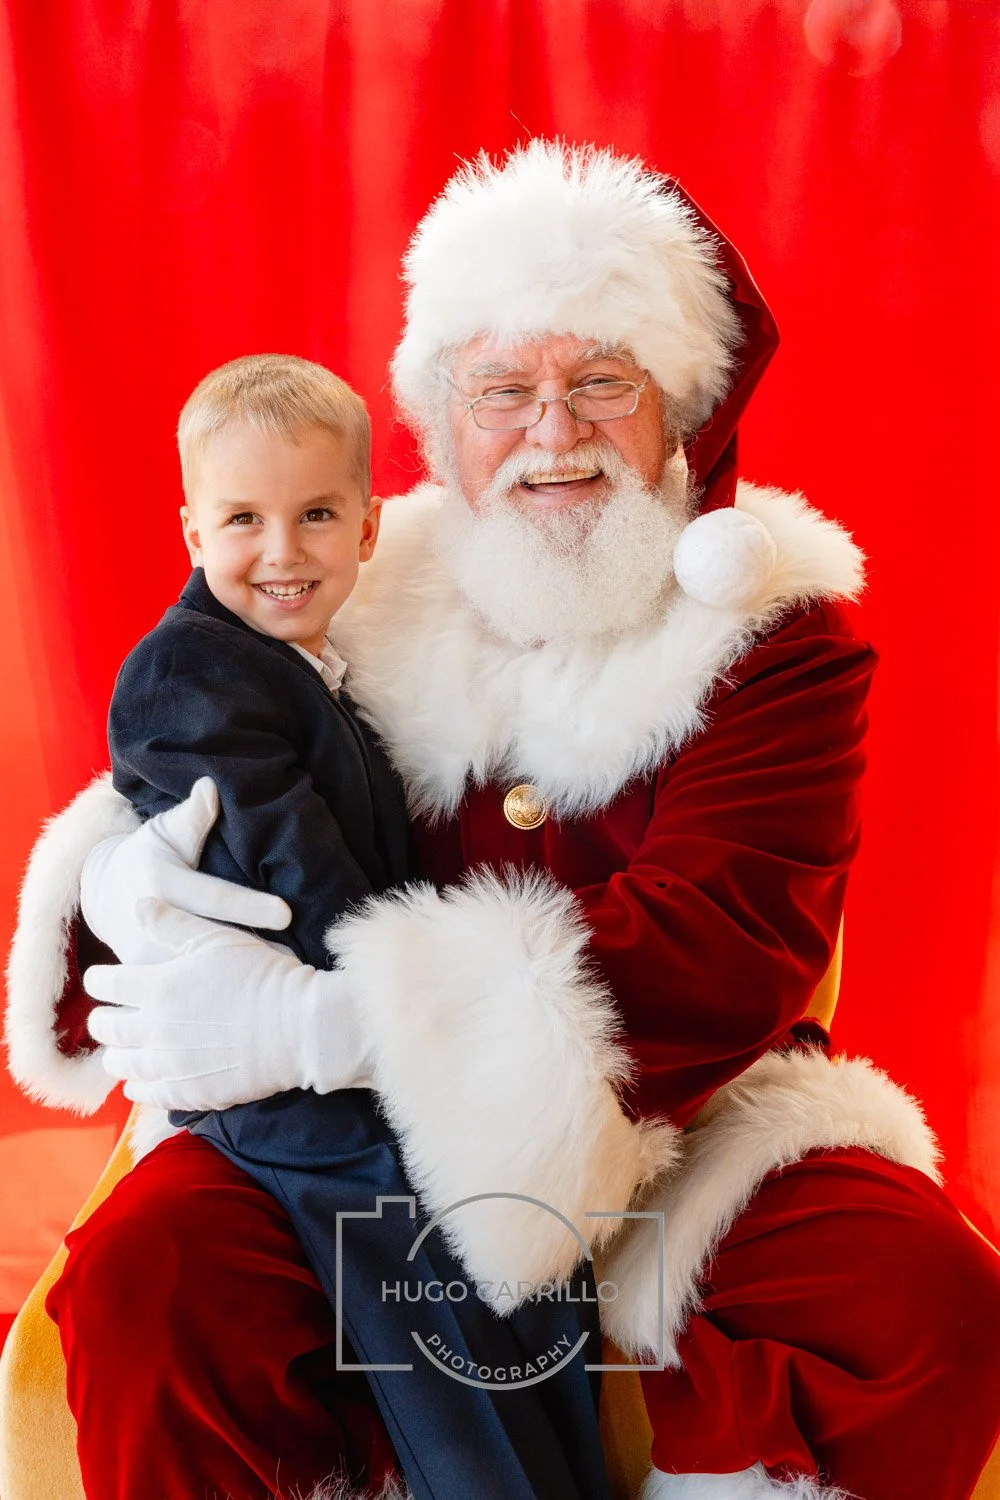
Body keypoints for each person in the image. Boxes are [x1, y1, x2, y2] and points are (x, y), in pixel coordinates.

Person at [6, 141, 1000, 1500]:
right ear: (442, 415)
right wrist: (128, 868)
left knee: (918, 1300)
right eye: (503, 391)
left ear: (682, 412)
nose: (551, 431)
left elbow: (717, 947)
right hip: (343, 1135)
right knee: (150, 1280)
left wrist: (339, 1021)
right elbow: (204, 721)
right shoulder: (360, 564)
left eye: (601, 382)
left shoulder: (773, 640)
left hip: (675, 1123)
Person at [102, 351, 609, 1500]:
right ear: (190, 529)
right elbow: (286, 858)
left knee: (516, 1235)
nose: (281, 554)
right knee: (430, 1254)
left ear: (369, 529)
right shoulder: (189, 671)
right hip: (268, 1075)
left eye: (316, 515)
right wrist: (409, 1004)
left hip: (332, 1049)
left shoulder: (313, 666)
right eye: (243, 519)